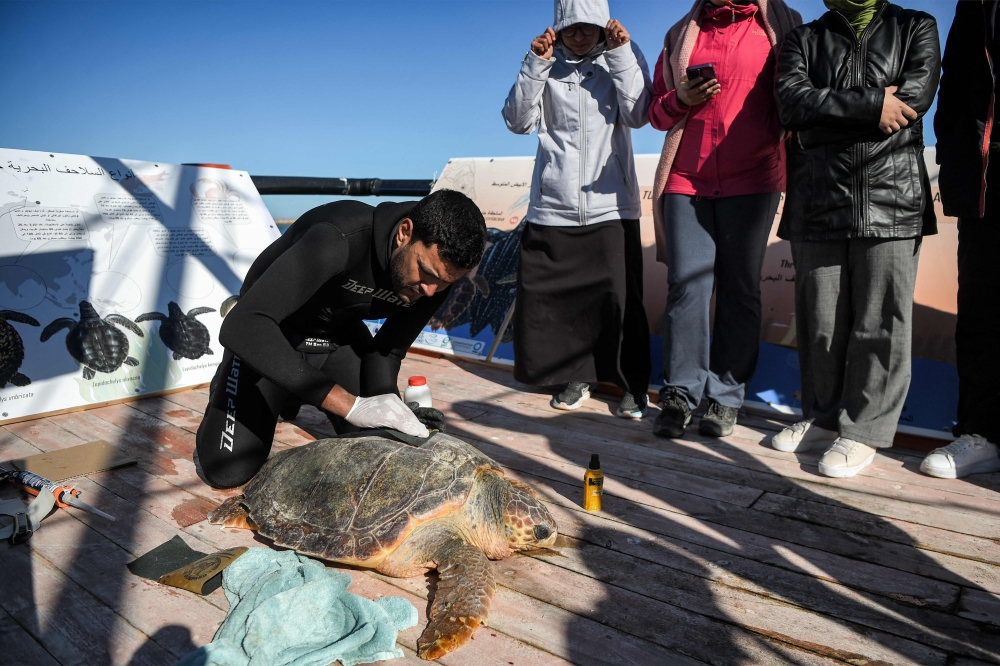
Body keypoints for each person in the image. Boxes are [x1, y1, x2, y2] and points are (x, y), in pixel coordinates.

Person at [195, 190, 487, 488]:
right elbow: (241, 324)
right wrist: (349, 405)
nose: (429, 290)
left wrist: (387, 402)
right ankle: (243, 387)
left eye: (444, 282)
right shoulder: (339, 236)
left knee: (389, 447)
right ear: (404, 232)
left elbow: (387, 349)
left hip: (336, 338)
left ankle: (293, 396)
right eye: (426, 272)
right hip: (270, 339)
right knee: (227, 469)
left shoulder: (436, 278)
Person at [771, 0, 940, 478]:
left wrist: (821, 121)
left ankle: (863, 432)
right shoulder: (804, 37)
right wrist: (871, 104)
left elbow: (912, 100)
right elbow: (790, 103)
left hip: (891, 195)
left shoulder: (915, 26)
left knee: (880, 321)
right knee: (820, 320)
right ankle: (823, 418)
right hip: (817, 196)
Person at [648, 0, 800, 440]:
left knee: (740, 287)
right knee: (687, 286)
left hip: (754, 177)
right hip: (685, 178)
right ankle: (679, 393)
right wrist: (680, 98)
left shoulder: (783, 25)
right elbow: (656, 113)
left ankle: (725, 396)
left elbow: (797, 96)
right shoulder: (681, 32)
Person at [502, 0, 653, 419]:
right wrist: (534, 63)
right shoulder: (544, 61)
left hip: (611, 204)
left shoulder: (624, 51)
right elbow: (517, 121)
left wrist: (621, 54)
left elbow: (640, 113)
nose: (580, 35)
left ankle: (631, 385)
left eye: (588, 26)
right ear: (559, 26)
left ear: (602, 24)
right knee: (559, 301)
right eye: (571, 27)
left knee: (621, 300)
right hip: (553, 206)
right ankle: (575, 377)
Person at [921, 0, 1000, 479]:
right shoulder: (973, 4)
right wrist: (957, 167)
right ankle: (981, 434)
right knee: (981, 312)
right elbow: (954, 92)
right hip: (985, 183)